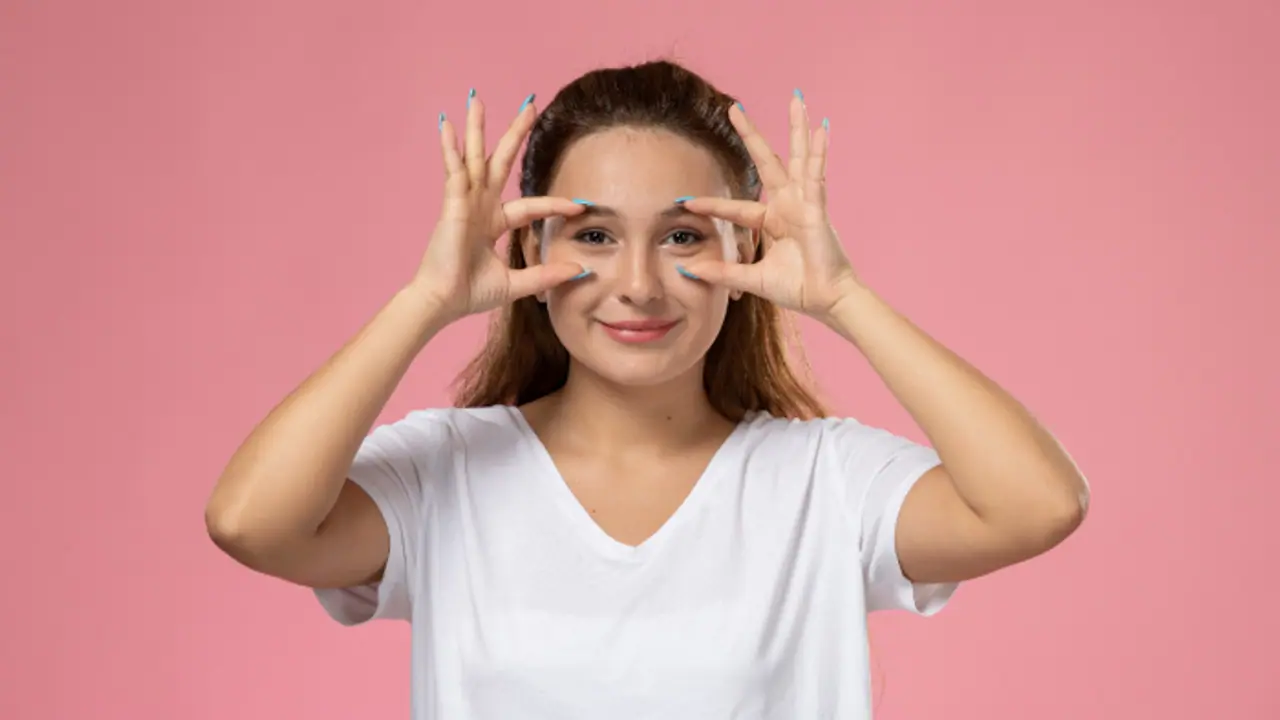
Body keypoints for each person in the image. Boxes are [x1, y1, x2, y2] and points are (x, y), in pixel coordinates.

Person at [205, 60, 1089, 718]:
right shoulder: (445, 474)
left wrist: (845, 299)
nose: (637, 283)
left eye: (681, 237)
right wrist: (424, 301)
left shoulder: (823, 483)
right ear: (530, 252)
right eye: (591, 235)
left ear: (746, 254)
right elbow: (253, 521)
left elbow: (1036, 505)